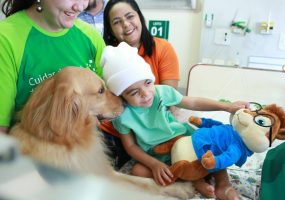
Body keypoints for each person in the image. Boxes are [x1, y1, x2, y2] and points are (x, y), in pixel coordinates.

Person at [101, 42, 247, 200]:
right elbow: (130, 146)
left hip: (186, 140)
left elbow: (192, 102)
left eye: (148, 83)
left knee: (214, 145)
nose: (146, 94)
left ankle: (223, 185)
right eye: (134, 92)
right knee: (138, 171)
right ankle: (193, 180)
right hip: (156, 154)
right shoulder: (122, 115)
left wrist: (225, 107)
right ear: (121, 95)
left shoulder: (161, 92)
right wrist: (153, 164)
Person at [0, 0, 105, 134]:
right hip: (30, 150)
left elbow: (109, 101)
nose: (79, 7)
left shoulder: (90, 35)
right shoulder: (5, 38)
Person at [100, 0, 180, 169]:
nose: (126, 24)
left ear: (140, 17)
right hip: (116, 132)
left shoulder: (163, 48)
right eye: (117, 22)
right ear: (111, 30)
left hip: (151, 133)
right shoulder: (107, 61)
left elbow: (170, 103)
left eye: (130, 16)